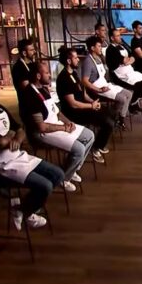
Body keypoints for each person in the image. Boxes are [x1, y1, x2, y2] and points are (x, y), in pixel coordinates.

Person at [0, 74, 64, 230]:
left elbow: (20, 130)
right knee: (45, 186)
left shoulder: (0, 108)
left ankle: (22, 207)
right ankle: (26, 210)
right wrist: (11, 135)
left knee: (58, 174)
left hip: (17, 155)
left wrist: (16, 138)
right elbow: (0, 142)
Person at [21, 62, 96, 192]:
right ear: (38, 76)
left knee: (89, 136)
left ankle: (72, 168)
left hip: (57, 125)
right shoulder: (30, 95)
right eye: (47, 73)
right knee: (79, 149)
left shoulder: (43, 89)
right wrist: (64, 128)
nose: (50, 75)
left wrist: (68, 122)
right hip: (42, 133)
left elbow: (57, 112)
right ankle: (64, 178)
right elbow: (41, 127)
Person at [55, 46, 113, 163]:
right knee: (108, 123)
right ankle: (95, 148)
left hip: (85, 107)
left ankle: (98, 144)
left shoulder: (74, 74)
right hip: (74, 113)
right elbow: (73, 104)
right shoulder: (63, 79)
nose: (78, 60)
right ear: (68, 61)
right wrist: (91, 106)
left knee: (110, 113)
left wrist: (93, 102)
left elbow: (83, 94)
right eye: (75, 58)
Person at [80, 35, 136, 129]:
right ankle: (112, 116)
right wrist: (99, 89)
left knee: (129, 94)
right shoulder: (88, 62)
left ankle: (120, 118)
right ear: (92, 48)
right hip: (96, 89)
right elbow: (84, 81)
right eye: (98, 46)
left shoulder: (99, 58)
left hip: (104, 84)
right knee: (122, 98)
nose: (100, 48)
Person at [105, 28, 142, 101]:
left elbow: (132, 55)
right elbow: (125, 61)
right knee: (141, 86)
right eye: (118, 36)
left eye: (120, 35)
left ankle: (135, 100)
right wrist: (128, 60)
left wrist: (129, 60)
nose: (120, 37)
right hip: (120, 76)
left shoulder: (122, 46)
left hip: (130, 72)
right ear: (112, 38)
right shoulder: (111, 49)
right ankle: (133, 102)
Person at [11, 39, 37, 110]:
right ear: (24, 53)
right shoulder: (18, 67)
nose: (34, 52)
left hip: (37, 101)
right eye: (31, 50)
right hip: (28, 106)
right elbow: (27, 88)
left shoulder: (33, 64)